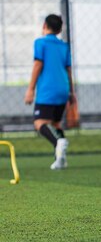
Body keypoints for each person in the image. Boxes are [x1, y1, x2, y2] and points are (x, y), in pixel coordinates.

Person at [24, 14, 74, 170]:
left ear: (44, 25)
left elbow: (38, 65)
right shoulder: (64, 46)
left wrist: (31, 89)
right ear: (59, 29)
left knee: (39, 123)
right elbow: (68, 70)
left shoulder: (40, 43)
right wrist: (71, 91)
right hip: (63, 89)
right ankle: (61, 159)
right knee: (56, 124)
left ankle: (58, 143)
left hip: (48, 90)